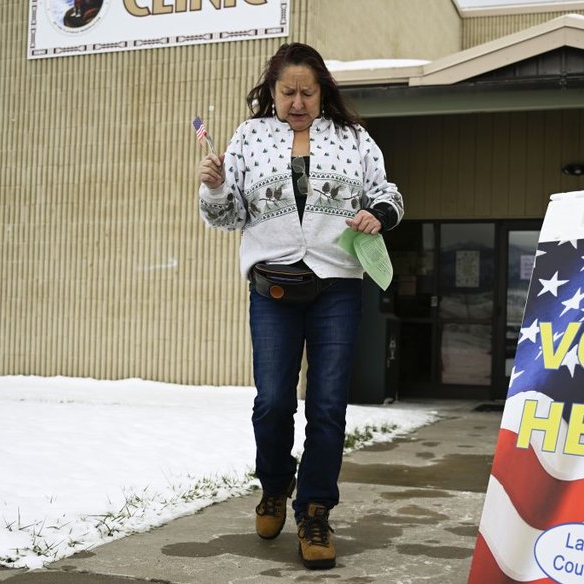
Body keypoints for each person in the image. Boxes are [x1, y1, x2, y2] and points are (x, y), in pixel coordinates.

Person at [196, 42, 403, 570]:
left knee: (329, 404)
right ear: (272, 91)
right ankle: (273, 486)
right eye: (287, 92)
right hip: (274, 285)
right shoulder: (250, 137)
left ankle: (314, 511)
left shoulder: (354, 138)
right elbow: (228, 217)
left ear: (322, 92)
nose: (297, 102)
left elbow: (388, 193)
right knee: (271, 401)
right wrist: (217, 188)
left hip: (337, 285)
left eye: (307, 92)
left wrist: (378, 212)